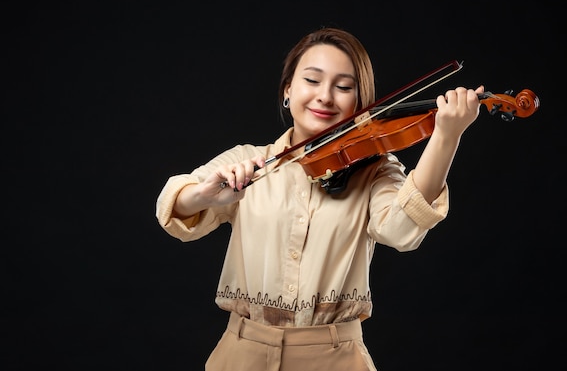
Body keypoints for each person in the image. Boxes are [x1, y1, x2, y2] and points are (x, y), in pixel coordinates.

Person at [155, 26, 483, 371]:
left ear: (360, 103)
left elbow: (401, 231)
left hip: (336, 358)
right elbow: (175, 202)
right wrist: (205, 194)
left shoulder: (376, 171)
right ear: (287, 89)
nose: (325, 96)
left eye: (343, 87)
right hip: (241, 355)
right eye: (312, 80)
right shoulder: (249, 162)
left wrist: (446, 136)